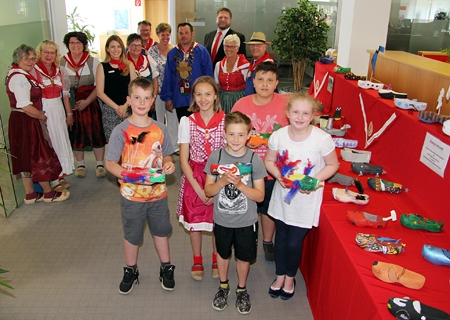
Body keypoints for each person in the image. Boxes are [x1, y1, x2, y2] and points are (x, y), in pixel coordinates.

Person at [264, 92, 339, 300]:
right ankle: (279, 276)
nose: (300, 116)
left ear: (313, 115)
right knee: (280, 239)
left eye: (305, 113)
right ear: (287, 113)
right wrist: (278, 176)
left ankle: (290, 277)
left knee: (294, 243)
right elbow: (269, 161)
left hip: (306, 200)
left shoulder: (322, 139)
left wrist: (315, 181)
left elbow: (333, 164)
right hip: (283, 197)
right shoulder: (278, 136)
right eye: (295, 112)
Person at [105, 77, 176, 294]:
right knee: (132, 234)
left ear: (153, 100)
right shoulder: (121, 131)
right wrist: (128, 175)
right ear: (128, 100)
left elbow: (167, 156)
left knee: (161, 231)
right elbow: (109, 163)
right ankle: (131, 269)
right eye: (137, 98)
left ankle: (166, 267)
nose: (142, 102)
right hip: (131, 196)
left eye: (146, 98)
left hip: (157, 195)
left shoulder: (161, 128)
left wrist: (169, 165)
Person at [204, 111, 266, 315]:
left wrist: (239, 184)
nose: (236, 139)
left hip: (246, 221)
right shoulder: (216, 156)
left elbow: (259, 197)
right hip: (222, 219)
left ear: (249, 135)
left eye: (241, 135)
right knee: (222, 254)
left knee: (243, 257)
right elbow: (208, 191)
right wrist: (222, 181)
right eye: (231, 134)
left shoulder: (254, 160)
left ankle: (241, 289)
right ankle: (223, 286)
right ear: (224, 134)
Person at [232, 61, 289, 263]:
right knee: (245, 208)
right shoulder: (241, 104)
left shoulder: (286, 104)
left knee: (268, 208)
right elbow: (231, 134)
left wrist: (267, 140)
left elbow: (294, 134)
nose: (265, 84)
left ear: (276, 83)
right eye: (260, 79)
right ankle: (246, 241)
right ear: (253, 82)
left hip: (274, 169)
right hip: (246, 168)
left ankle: (267, 241)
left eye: (270, 80)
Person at [6, 44, 70, 203]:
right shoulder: (19, 77)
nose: (30, 61)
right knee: (37, 154)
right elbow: (25, 105)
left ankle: (30, 194)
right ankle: (48, 192)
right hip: (26, 118)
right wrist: (42, 116)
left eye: (33, 58)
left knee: (25, 155)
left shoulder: (22, 74)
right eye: (26, 58)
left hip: (22, 119)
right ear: (17, 59)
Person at [177, 76, 225, 281]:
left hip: (219, 175)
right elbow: (183, 159)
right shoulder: (187, 122)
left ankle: (216, 257)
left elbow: (229, 154)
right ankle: (197, 258)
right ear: (193, 97)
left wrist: (216, 186)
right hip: (194, 176)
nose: (203, 99)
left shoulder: (226, 120)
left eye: (208, 94)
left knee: (217, 221)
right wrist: (198, 188)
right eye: (198, 94)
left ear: (215, 96)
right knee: (195, 221)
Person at [60, 31, 107, 179]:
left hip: (90, 102)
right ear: (68, 45)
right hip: (70, 103)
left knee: (95, 131)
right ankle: (80, 164)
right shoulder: (61, 62)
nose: (75, 46)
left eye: (78, 42)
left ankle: (100, 164)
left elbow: (99, 86)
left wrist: (87, 101)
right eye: (72, 43)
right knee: (75, 132)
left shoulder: (93, 61)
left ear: (84, 44)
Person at [35, 40, 75, 190]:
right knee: (49, 142)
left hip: (58, 109)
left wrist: (69, 113)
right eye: (46, 52)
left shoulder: (60, 70)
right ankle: (52, 178)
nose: (49, 55)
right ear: (40, 53)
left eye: (52, 52)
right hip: (44, 109)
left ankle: (60, 174)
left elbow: (65, 95)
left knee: (60, 140)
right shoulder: (34, 71)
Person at [160, 22, 214, 122]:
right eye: (181, 33)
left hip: (199, 99)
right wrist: (168, 98)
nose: (183, 36)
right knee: (184, 128)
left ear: (192, 33)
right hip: (179, 98)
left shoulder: (201, 51)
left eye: (186, 33)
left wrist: (209, 96)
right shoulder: (173, 53)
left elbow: (209, 76)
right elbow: (168, 76)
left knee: (200, 127)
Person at [97, 35, 136, 143]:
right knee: (114, 144)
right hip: (110, 111)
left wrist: (125, 106)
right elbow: (100, 93)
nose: (116, 50)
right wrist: (117, 108)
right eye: (112, 47)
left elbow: (134, 89)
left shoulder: (129, 65)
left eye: (118, 46)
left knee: (130, 143)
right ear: (107, 49)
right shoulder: (102, 67)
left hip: (128, 108)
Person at [147, 22, 179, 153]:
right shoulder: (152, 51)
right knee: (159, 120)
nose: (165, 37)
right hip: (158, 91)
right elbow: (153, 73)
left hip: (172, 92)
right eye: (162, 34)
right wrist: (155, 93)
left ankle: (174, 146)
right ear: (158, 35)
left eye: (168, 34)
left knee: (173, 119)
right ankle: (158, 145)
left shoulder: (175, 50)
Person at [126, 33, 159, 119]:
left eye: (138, 45)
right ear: (128, 46)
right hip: (129, 105)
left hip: (147, 103)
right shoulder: (124, 62)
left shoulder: (147, 59)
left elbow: (155, 80)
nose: (136, 48)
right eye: (133, 45)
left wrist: (153, 98)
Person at [214, 34, 249, 113]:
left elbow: (249, 87)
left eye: (232, 47)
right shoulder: (218, 65)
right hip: (222, 101)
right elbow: (217, 85)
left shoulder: (245, 66)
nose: (228, 49)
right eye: (226, 46)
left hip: (239, 100)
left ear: (237, 48)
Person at [244, 32, 274, 96]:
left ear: (265, 47)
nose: (255, 48)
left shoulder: (268, 65)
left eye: (258, 45)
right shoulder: (252, 62)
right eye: (252, 45)